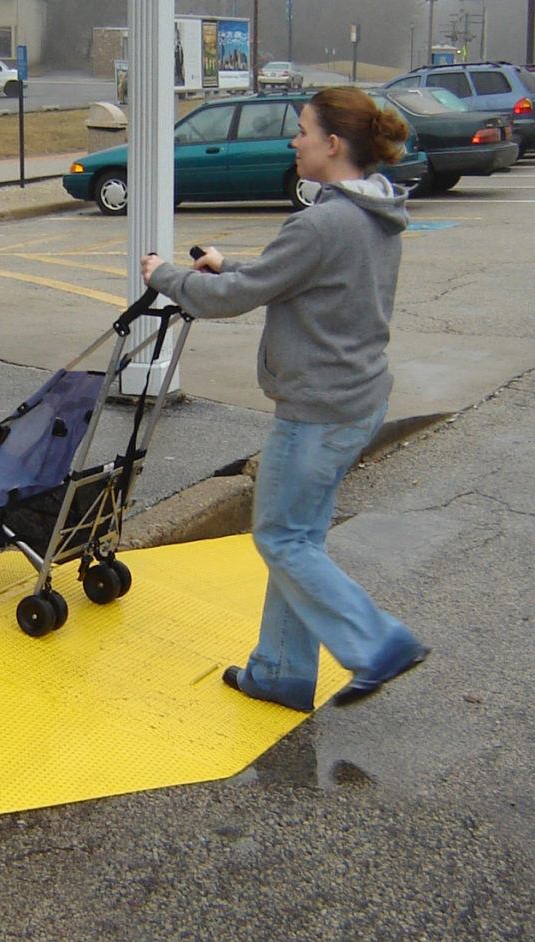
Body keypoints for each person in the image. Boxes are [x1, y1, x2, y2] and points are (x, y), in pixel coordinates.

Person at [141, 87, 430, 710]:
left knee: (282, 539)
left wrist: (165, 275)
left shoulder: (323, 219)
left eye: (301, 130)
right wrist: (229, 261)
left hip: (319, 410)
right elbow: (292, 271)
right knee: (299, 539)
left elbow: (233, 297)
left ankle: (378, 643)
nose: (292, 141)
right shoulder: (368, 210)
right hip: (356, 397)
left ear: (332, 144)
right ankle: (279, 671)